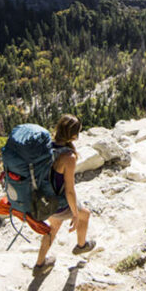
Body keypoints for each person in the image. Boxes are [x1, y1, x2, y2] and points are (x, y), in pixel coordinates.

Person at [34, 114, 95, 271]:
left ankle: (40, 264)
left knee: (53, 227)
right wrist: (75, 213)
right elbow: (69, 190)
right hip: (59, 203)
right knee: (85, 214)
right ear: (73, 135)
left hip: (44, 199)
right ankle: (81, 245)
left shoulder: (47, 146)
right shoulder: (68, 157)